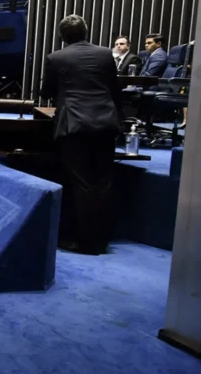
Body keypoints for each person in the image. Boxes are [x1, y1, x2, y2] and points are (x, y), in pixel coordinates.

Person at [41, 14, 121, 256]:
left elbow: (47, 92)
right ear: (85, 32)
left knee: (82, 183)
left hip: (74, 125)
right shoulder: (105, 54)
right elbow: (114, 89)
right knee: (104, 182)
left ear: (62, 36)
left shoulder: (56, 58)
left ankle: (86, 243)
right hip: (106, 122)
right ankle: (102, 240)